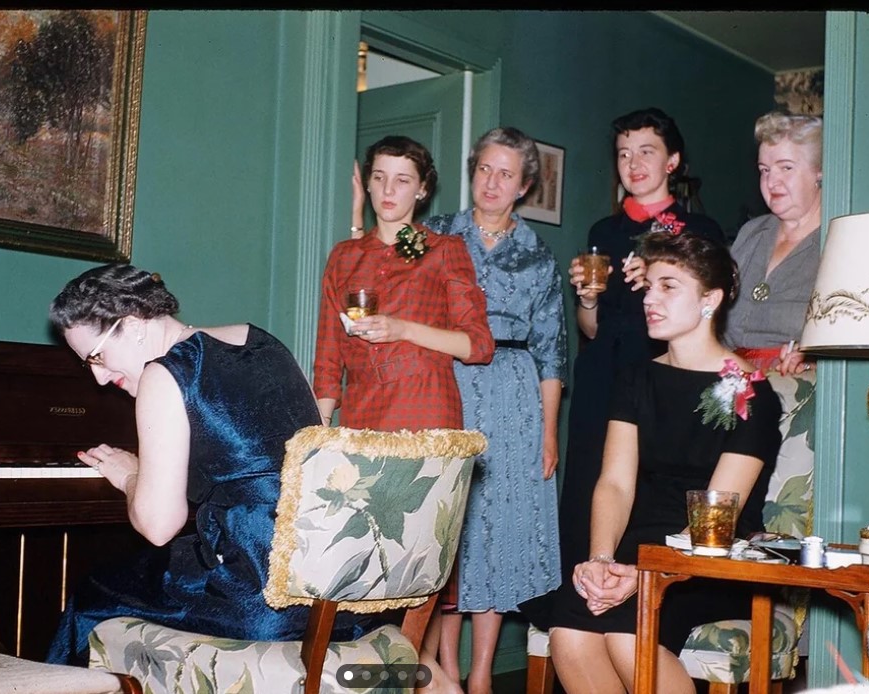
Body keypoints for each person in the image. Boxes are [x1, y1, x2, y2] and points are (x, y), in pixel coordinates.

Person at [45, 264, 373, 665]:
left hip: (265, 598)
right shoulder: (263, 342)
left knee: (92, 596)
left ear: (132, 325)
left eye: (97, 356)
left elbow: (158, 526)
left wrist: (130, 474)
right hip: (338, 579)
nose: (97, 377)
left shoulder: (164, 375)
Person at [524, 230, 782, 694]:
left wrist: (645, 577)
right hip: (636, 548)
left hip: (710, 557)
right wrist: (600, 559)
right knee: (570, 632)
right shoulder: (636, 377)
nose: (650, 299)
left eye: (668, 286)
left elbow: (716, 514)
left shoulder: (752, 393)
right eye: (648, 286)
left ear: (711, 299)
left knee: (628, 636)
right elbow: (615, 484)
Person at [316, 134, 494, 693]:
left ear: (421, 189)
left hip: (426, 414)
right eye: (379, 178)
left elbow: (478, 345)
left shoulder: (442, 251)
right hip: (363, 421)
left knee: (418, 566)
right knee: (360, 565)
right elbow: (328, 357)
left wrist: (403, 330)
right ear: (366, 183)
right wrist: (322, 434)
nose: (388, 191)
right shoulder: (346, 257)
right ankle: (410, 680)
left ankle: (408, 674)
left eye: (402, 180)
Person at [549, 107, 727, 598]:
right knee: (590, 484)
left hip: (660, 376)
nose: (633, 163)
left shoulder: (699, 230)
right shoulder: (602, 232)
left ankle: (643, 598)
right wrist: (587, 299)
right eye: (624, 153)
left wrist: (655, 277)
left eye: (646, 151)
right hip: (603, 375)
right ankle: (583, 599)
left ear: (672, 161)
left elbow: (711, 311)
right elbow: (592, 327)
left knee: (647, 486)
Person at [420, 127, 568, 694]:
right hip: (445, 383)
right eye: (484, 169)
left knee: (496, 533)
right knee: (448, 530)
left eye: (506, 173)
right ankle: (446, 672)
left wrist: (548, 435)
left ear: (524, 184)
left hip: (512, 394)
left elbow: (553, 354)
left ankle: (481, 673)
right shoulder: (435, 233)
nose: (492, 182)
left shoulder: (536, 255)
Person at [725, 112, 823, 375]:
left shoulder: (836, 242)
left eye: (786, 167)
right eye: (764, 170)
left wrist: (817, 360)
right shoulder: (751, 233)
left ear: (820, 172)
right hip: (729, 383)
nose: (771, 181)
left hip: (799, 390)